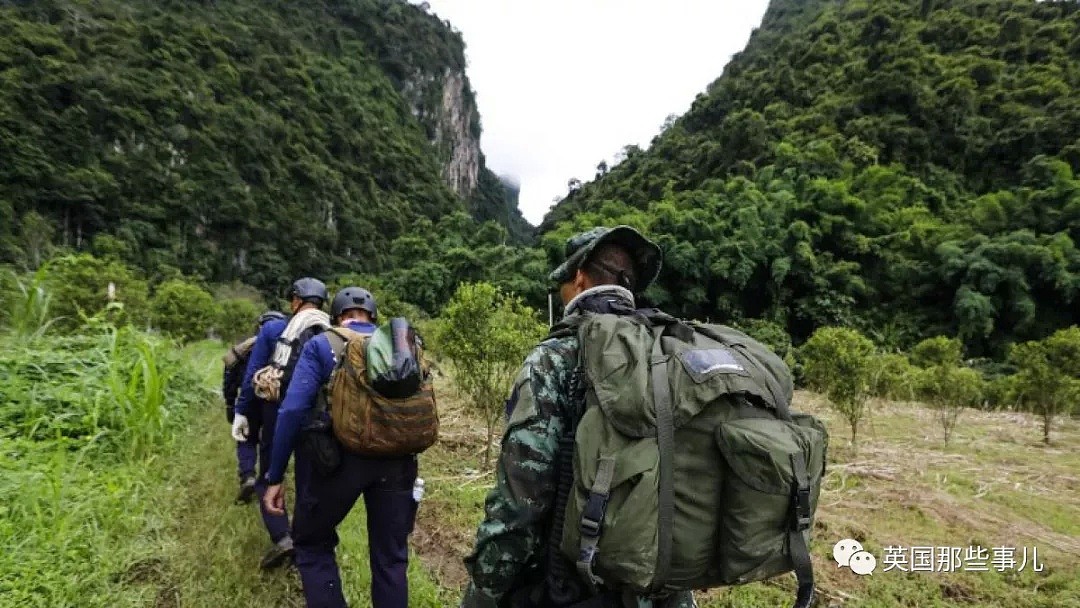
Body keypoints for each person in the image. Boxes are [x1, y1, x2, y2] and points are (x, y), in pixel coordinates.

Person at [460, 226, 696, 608]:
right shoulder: (668, 353)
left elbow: (520, 504)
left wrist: (481, 594)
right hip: (658, 584)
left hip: (572, 587)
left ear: (580, 277)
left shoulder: (553, 359)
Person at [264, 287, 418, 608]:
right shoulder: (402, 345)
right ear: (374, 317)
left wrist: (275, 474)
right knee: (391, 560)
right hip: (398, 462)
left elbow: (292, 410)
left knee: (311, 543)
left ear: (335, 316)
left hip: (340, 460)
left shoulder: (323, 343)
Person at [231, 277, 329, 569]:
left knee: (271, 475)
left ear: (296, 300)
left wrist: (242, 411)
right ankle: (304, 536)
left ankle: (281, 536)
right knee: (307, 478)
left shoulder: (275, 328)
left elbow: (254, 375)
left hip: (278, 413)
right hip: (318, 419)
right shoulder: (331, 329)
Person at [224, 310, 287, 504]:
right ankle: (268, 480)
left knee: (246, 438)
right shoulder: (288, 348)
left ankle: (248, 475)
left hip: (249, 400)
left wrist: (230, 403)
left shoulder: (243, 349)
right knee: (270, 442)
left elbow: (229, 377)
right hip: (273, 403)